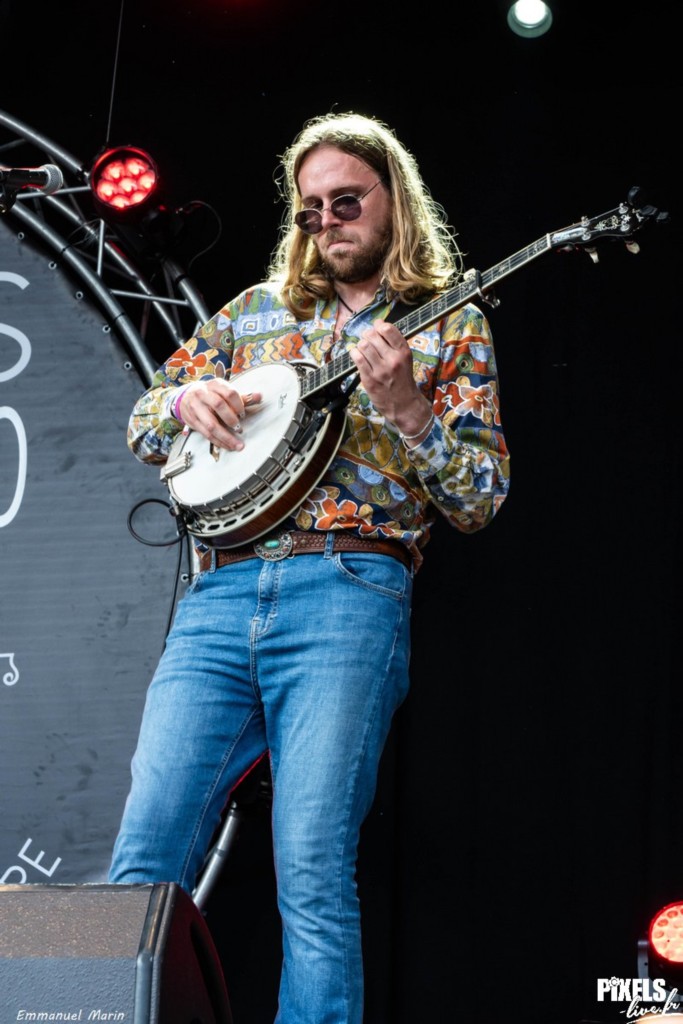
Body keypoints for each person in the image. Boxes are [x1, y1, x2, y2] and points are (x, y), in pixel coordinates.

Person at [109, 110, 510, 1024]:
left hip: (347, 592)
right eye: (310, 209)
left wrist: (408, 409)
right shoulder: (254, 313)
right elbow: (143, 422)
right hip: (219, 595)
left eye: (345, 201)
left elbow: (479, 497)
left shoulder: (449, 324)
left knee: (313, 869)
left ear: (392, 200)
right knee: (143, 856)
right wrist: (186, 402)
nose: (326, 221)